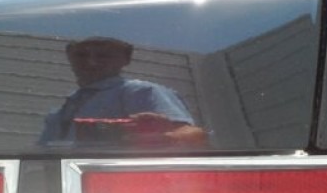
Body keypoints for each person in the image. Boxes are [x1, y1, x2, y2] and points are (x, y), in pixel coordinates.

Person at [38, 37, 208, 148]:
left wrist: (168, 138)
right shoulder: (65, 108)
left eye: (103, 56)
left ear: (125, 60)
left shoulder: (140, 91)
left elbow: (193, 135)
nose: (91, 62)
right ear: (70, 58)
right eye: (82, 55)